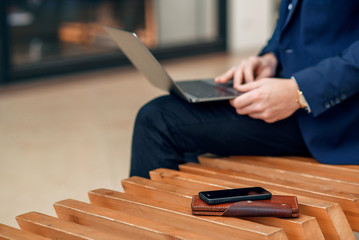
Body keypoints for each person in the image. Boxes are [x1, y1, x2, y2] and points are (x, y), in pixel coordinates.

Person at [130, 0, 359, 178]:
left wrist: (299, 92)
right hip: (290, 87)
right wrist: (270, 58)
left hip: (337, 116)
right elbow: (292, 20)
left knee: (159, 121)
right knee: (185, 114)